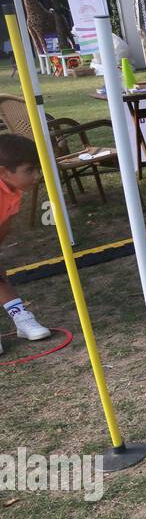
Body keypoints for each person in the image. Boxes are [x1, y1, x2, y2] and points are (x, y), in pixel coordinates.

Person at [0, 135, 52, 355]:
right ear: (3, 172)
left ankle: (23, 320)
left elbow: (5, 223)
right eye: (29, 170)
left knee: (0, 278)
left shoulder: (13, 190)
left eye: (37, 169)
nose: (37, 176)